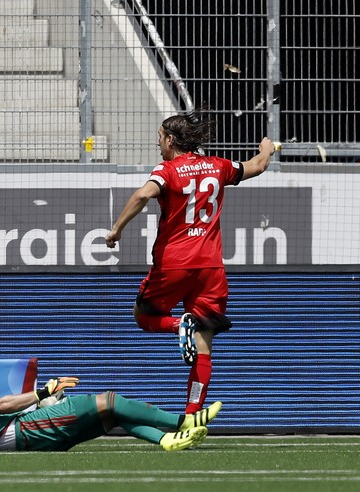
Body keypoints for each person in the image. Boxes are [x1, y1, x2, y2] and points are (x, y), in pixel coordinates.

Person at [104, 109, 276, 414]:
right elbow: (258, 165)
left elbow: (144, 195)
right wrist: (267, 147)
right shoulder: (218, 166)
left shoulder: (167, 170)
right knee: (204, 341)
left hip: (174, 264)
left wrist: (117, 229)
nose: (158, 143)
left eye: (160, 137)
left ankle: (177, 325)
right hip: (210, 268)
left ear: (171, 140)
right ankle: (192, 414)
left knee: (142, 316)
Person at [0, 370, 221, 452]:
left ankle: (166, 440)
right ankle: (185, 420)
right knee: (110, 400)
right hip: (31, 430)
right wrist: (44, 393)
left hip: (32, 438)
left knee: (112, 416)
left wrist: (43, 401)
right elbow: (0, 406)